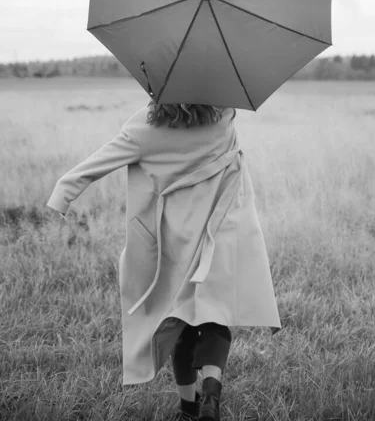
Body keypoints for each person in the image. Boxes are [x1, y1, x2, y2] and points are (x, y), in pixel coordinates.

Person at [47, 100, 281, 421]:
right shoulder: (223, 118)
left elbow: (97, 163)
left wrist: (62, 194)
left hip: (177, 243)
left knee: (181, 325)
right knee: (214, 317)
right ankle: (211, 392)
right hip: (217, 235)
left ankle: (188, 408)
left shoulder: (144, 130)